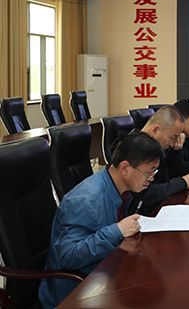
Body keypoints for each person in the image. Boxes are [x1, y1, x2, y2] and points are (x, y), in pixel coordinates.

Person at [39, 132, 163, 309]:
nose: (151, 179)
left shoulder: (120, 189)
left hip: (104, 274)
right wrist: (116, 231)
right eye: (148, 172)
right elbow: (68, 256)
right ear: (125, 167)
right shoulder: (85, 200)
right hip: (75, 291)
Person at [130, 106, 189, 214]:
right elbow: (144, 195)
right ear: (155, 130)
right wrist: (182, 182)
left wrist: (177, 150)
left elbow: (172, 173)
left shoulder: (158, 145)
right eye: (172, 138)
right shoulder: (133, 149)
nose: (172, 143)